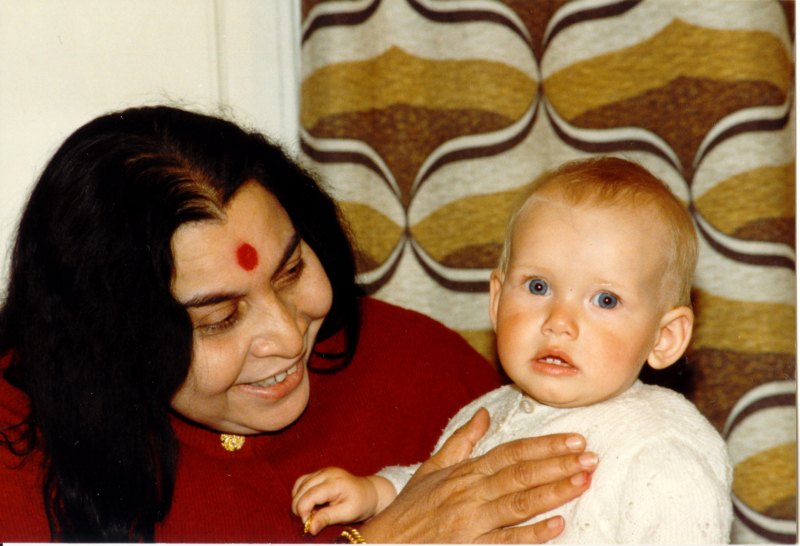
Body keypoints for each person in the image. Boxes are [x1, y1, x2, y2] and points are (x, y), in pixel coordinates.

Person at [0, 106, 597, 542]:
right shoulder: (19, 454)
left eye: (290, 273)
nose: (287, 338)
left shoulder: (414, 365)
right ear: (107, 338)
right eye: (219, 318)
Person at [292, 157, 734, 544]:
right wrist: (375, 494)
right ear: (498, 300)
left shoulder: (663, 446)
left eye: (605, 300)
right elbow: (440, 497)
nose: (559, 321)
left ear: (665, 338)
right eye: (538, 287)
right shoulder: (485, 412)